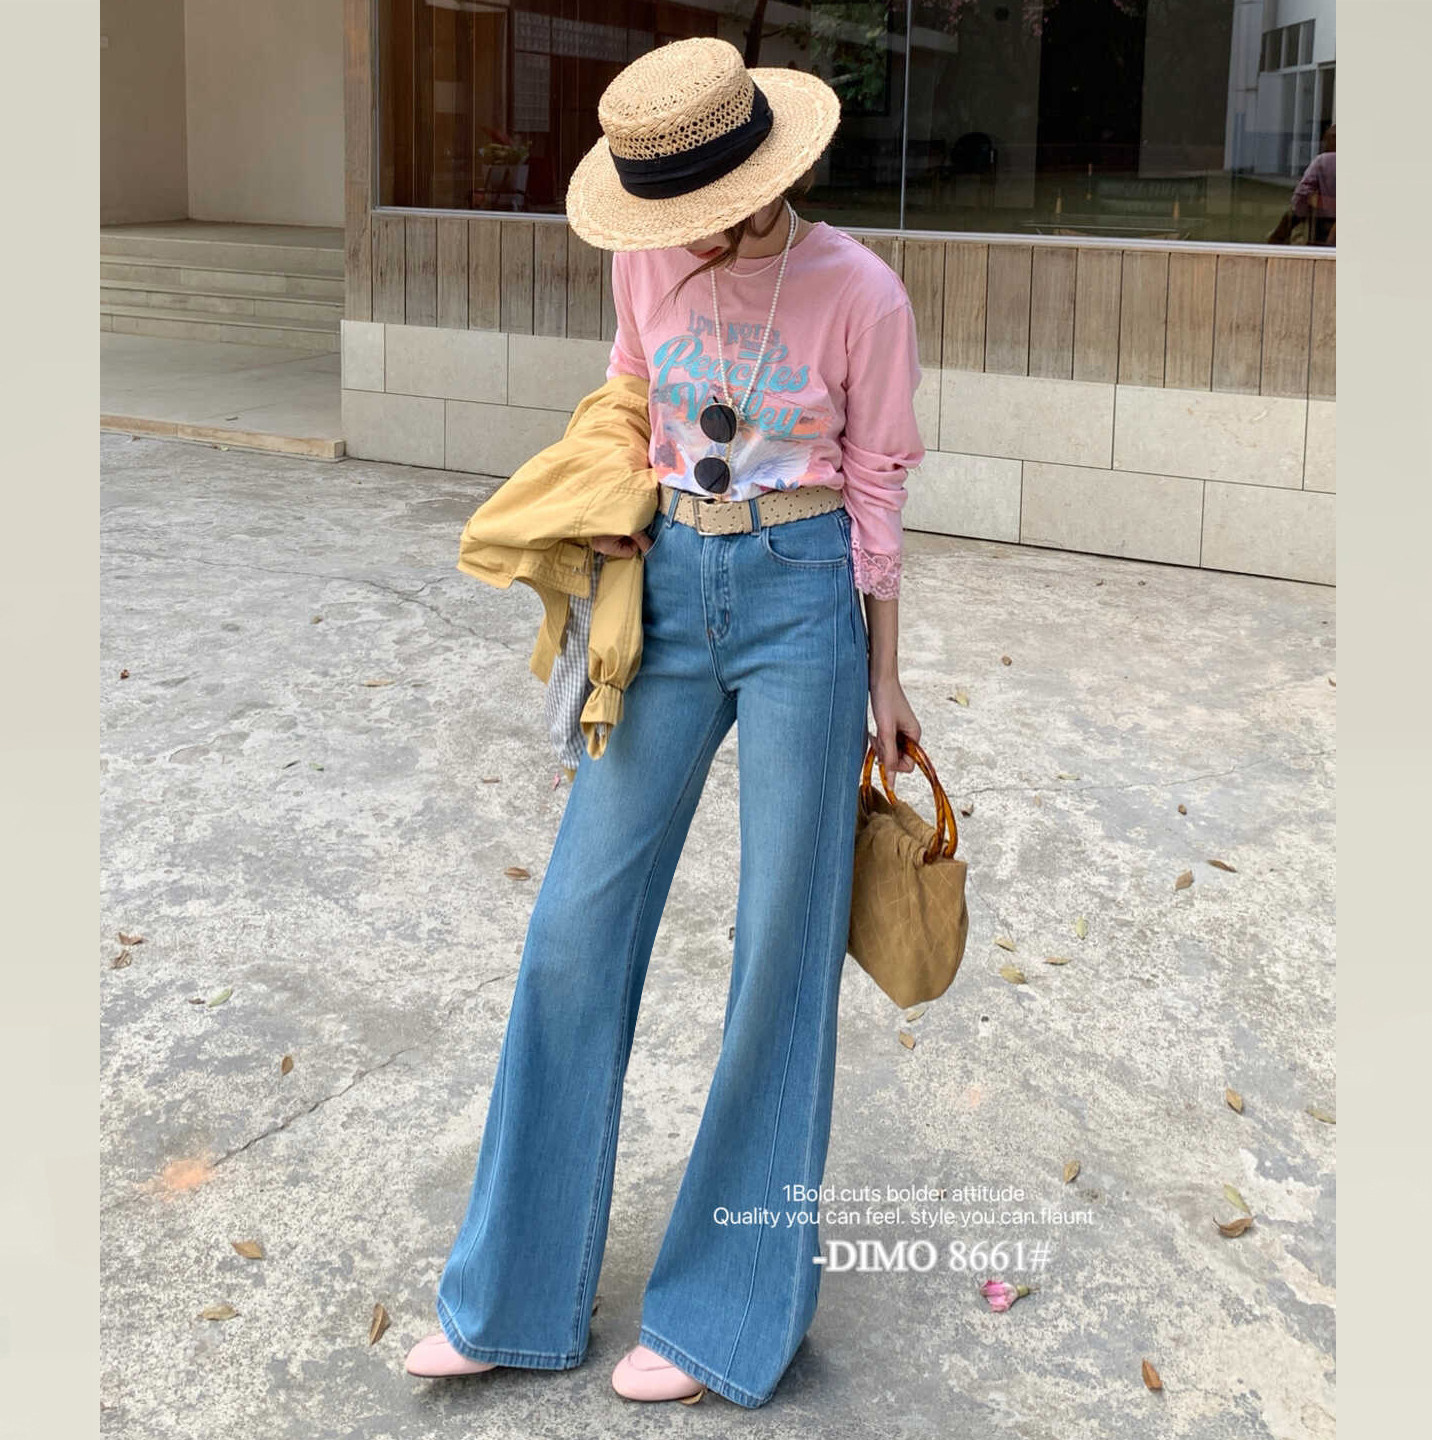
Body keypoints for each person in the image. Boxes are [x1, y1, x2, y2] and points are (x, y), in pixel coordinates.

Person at [403, 36, 925, 1409]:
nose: (680, 238)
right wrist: (609, 547)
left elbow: (879, 485)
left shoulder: (861, 293)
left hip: (807, 596)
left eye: (702, 211)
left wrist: (886, 677)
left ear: (765, 179)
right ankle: (511, 1295)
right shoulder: (643, 262)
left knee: (782, 949)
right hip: (669, 581)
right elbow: (628, 402)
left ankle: (725, 1313)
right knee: (576, 925)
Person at [1268, 123, 1336, 246]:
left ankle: (1277, 240)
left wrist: (1299, 214)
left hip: (1322, 223)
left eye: (1327, 140)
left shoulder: (1323, 161)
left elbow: (1302, 194)